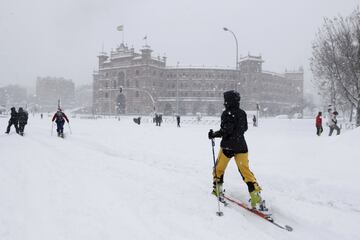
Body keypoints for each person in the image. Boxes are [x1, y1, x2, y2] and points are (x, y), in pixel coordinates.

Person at [208, 90, 266, 211]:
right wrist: (236, 133)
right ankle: (256, 196)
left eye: (225, 100)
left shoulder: (226, 114)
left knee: (218, 169)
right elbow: (244, 128)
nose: (224, 102)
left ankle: (217, 190)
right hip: (241, 146)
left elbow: (225, 131)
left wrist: (214, 134)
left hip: (227, 147)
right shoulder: (242, 113)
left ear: (228, 101)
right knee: (245, 171)